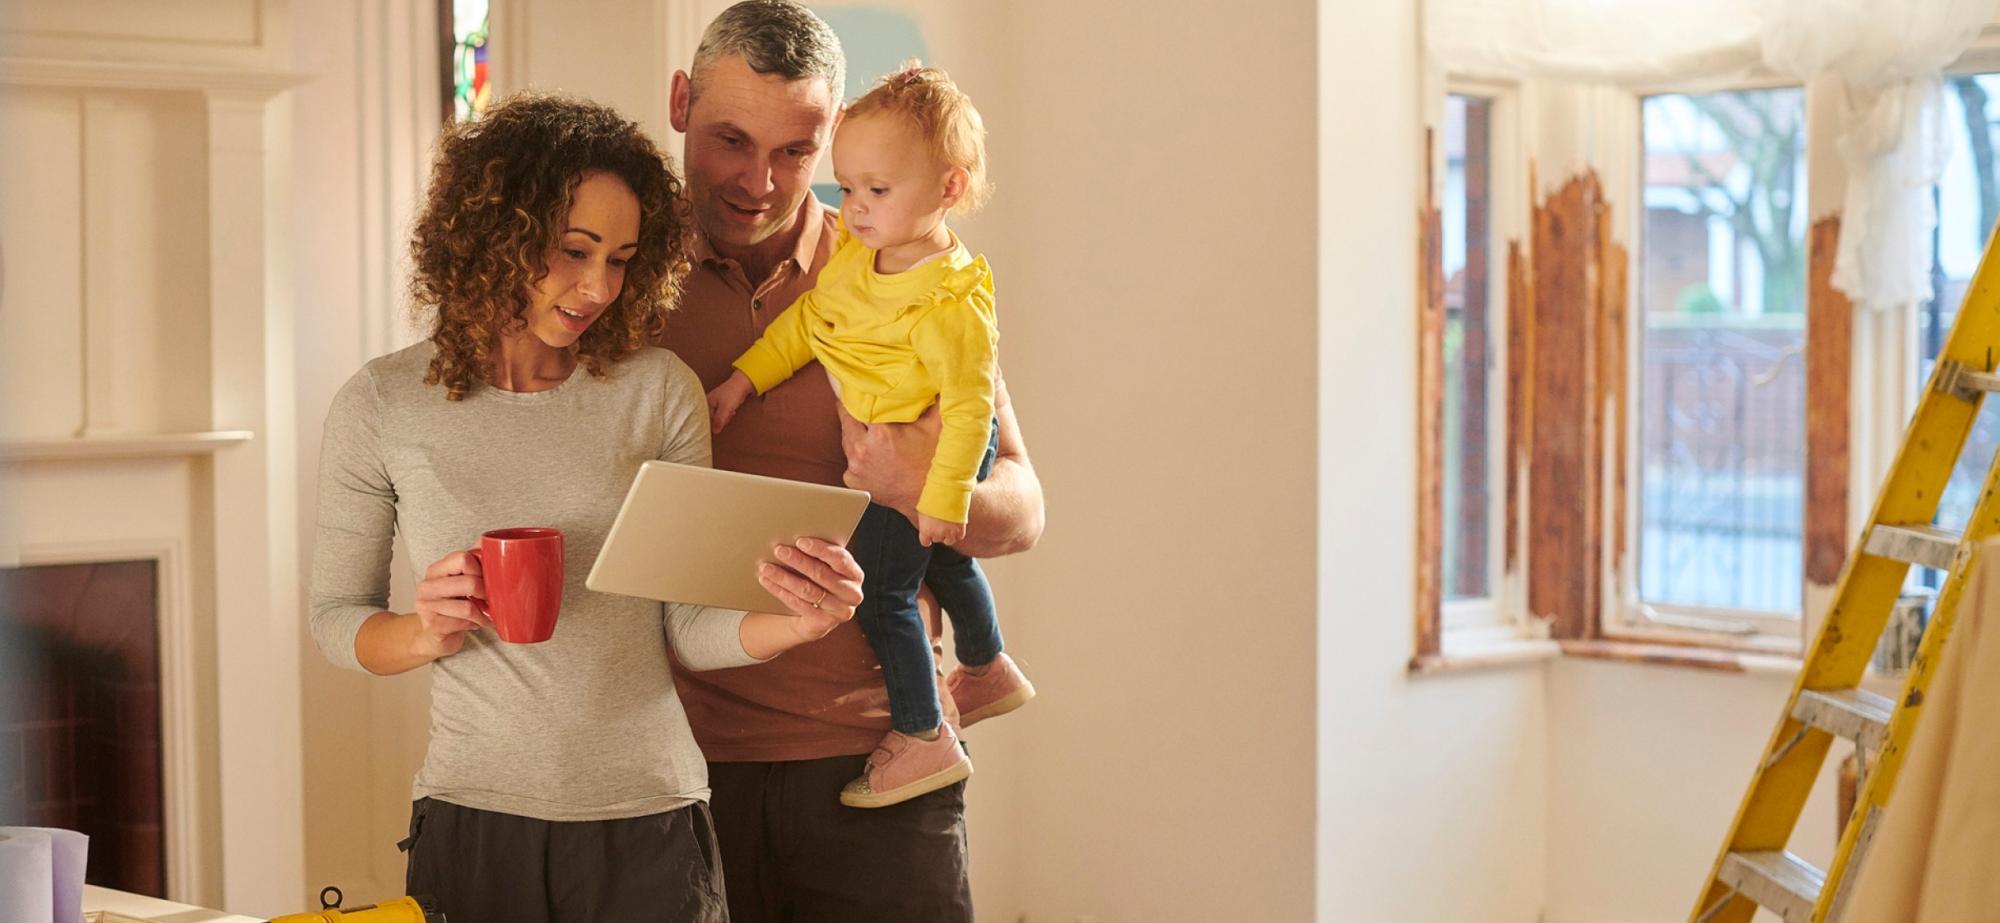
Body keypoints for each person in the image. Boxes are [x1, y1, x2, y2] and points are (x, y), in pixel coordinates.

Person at [307, 91, 865, 923]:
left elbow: (683, 626)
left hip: (650, 820)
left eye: (621, 258)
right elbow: (334, 619)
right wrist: (424, 631)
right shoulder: (382, 404)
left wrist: (799, 620)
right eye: (574, 250)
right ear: (495, 235)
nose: (597, 286)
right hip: (473, 817)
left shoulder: (657, 393)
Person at [658, 2, 1045, 919]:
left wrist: (922, 486)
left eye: (796, 151)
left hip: (881, 762)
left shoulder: (903, 273)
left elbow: (1023, 505)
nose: (761, 180)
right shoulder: (616, 279)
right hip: (673, 769)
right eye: (730, 140)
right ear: (680, 104)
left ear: (832, 139)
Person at [705, 61, 1033, 810]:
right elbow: (808, 326)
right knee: (941, 563)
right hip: (720, 744)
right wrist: (743, 380)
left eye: (875, 191)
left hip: (939, 453)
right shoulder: (858, 259)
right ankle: (986, 665)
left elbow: (975, 410)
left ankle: (922, 735)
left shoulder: (952, 299)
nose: (851, 207)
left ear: (947, 189)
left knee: (886, 589)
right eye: (846, 186)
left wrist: (936, 490)